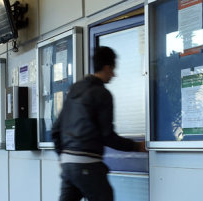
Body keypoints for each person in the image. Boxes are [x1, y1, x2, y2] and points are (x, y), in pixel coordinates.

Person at [52, 46, 146, 201]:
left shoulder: (75, 89)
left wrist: (62, 157)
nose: (114, 75)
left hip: (68, 164)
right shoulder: (102, 94)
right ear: (107, 67)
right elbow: (107, 136)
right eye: (113, 69)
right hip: (87, 163)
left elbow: (56, 129)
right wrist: (136, 146)